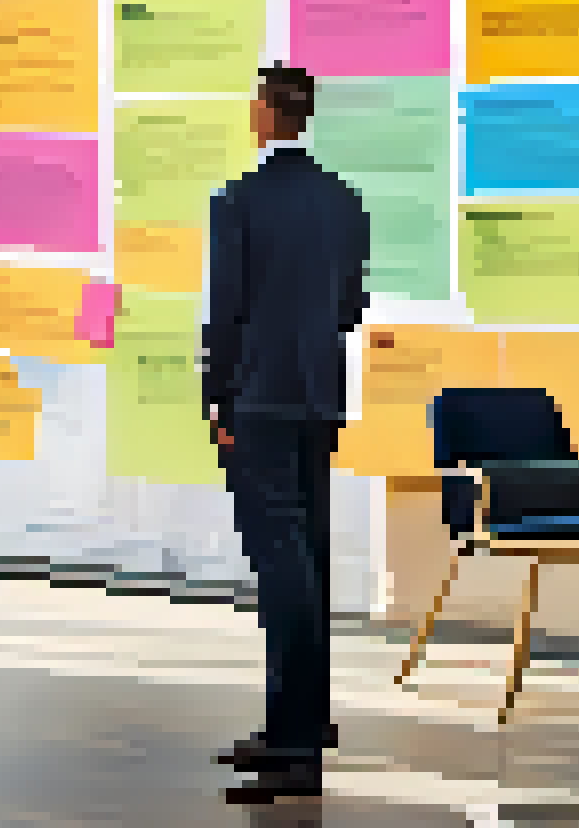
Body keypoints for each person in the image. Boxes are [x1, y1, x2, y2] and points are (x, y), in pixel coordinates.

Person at [203, 65, 370, 804]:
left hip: (260, 399)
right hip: (317, 397)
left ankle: (296, 745)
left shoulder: (239, 202)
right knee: (309, 554)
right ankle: (299, 722)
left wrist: (216, 397)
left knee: (282, 564)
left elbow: (227, 311)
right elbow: (348, 307)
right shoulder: (343, 202)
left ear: (265, 114)